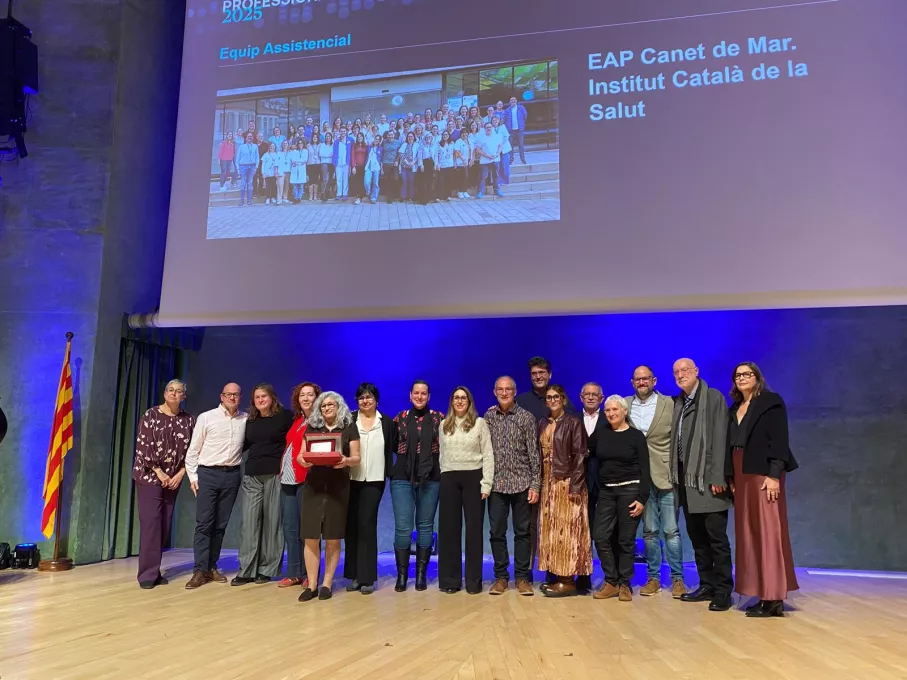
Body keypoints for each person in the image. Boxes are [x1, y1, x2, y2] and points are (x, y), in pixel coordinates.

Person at [728, 362, 799, 617]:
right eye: (738, 375)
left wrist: (773, 475)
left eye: (747, 374)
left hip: (763, 473)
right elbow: (731, 445)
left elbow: (779, 439)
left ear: (757, 377)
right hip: (741, 472)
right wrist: (731, 476)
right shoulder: (735, 408)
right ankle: (759, 591)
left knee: (768, 533)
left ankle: (774, 597)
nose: (742, 378)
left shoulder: (771, 402)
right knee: (748, 534)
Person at [670, 358, 734, 611]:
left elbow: (721, 438)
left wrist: (718, 476)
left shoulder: (713, 398)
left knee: (716, 539)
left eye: (685, 370)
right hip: (687, 481)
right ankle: (706, 584)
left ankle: (723, 591)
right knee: (697, 539)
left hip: (708, 480)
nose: (680, 374)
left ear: (696, 372)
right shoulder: (679, 402)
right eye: (676, 371)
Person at [626, 365, 686, 599]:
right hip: (639, 478)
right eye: (637, 379)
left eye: (646, 378)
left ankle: (678, 579)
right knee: (649, 532)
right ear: (632, 383)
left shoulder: (670, 404)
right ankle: (653, 578)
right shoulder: (625, 404)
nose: (642, 382)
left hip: (666, 475)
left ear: (654, 380)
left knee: (671, 530)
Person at [297, 391, 361, 602]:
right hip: (314, 486)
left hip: (338, 486)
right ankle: (312, 584)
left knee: (333, 536)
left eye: (330, 404)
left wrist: (345, 460)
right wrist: (303, 460)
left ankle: (327, 583)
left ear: (339, 405)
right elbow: (301, 454)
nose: (326, 408)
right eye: (323, 406)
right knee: (311, 536)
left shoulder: (349, 428)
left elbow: (356, 458)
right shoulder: (312, 427)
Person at [132, 379, 195, 589]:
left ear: (183, 396)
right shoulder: (150, 415)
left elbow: (194, 450)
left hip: (173, 479)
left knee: (163, 524)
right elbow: (144, 446)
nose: (173, 394)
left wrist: (181, 473)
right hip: (150, 476)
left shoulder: (188, 420)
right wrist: (159, 472)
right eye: (170, 390)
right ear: (164, 393)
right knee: (151, 523)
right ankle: (147, 575)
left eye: (178, 391)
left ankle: (155, 569)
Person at [184, 383, 247, 589]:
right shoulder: (206, 417)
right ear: (221, 396)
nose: (232, 397)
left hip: (231, 475)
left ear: (240, 397)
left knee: (220, 525)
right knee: (204, 524)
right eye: (228, 394)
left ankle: (212, 566)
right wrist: (193, 477)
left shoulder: (245, 419)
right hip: (207, 474)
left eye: (236, 395)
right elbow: (193, 450)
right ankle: (199, 570)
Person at [484, 376, 541, 596]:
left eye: (508, 389)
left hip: (522, 484)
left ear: (515, 392)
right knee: (497, 532)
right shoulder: (488, 417)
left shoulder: (526, 418)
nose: (504, 392)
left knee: (523, 533)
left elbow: (534, 454)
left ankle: (522, 578)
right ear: (494, 391)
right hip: (497, 485)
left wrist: (535, 484)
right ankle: (500, 577)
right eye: (500, 389)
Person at [233, 384, 293, 586]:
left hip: (275, 474)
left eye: (263, 396)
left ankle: (266, 569)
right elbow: (243, 445)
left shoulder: (285, 416)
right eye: (256, 397)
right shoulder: (250, 420)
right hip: (252, 475)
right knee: (249, 524)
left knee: (272, 523)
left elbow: (294, 441)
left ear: (272, 397)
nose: (260, 400)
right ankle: (246, 569)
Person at [591, 396, 650, 602]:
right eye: (607, 410)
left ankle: (625, 584)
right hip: (607, 492)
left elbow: (645, 469)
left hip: (630, 492)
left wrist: (642, 498)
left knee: (626, 541)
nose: (611, 413)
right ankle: (611, 580)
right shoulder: (601, 434)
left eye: (615, 409)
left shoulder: (636, 436)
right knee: (600, 536)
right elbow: (584, 451)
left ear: (624, 411)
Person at [437, 386, 494, 595]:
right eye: (456, 398)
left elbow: (488, 454)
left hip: (474, 478)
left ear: (469, 402)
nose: (460, 401)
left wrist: (486, 483)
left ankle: (473, 581)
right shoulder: (444, 425)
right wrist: (444, 475)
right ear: (452, 401)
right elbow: (442, 455)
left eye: (463, 398)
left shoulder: (480, 424)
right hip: (450, 478)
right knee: (449, 531)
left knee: (473, 531)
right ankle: (450, 580)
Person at [536, 385, 592, 597]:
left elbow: (580, 455)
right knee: (551, 532)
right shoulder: (543, 422)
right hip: (547, 483)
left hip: (567, 483)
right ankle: (557, 576)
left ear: (564, 399)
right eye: (549, 397)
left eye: (556, 397)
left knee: (567, 533)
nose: (552, 400)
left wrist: (576, 485)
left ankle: (568, 580)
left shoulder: (573, 422)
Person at [391, 381, 443, 592]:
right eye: (416, 393)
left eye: (424, 393)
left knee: (425, 526)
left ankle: (421, 574)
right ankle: (402, 575)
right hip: (402, 476)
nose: (420, 396)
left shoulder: (439, 418)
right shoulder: (400, 418)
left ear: (429, 396)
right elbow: (393, 445)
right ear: (410, 395)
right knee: (403, 527)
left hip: (431, 476)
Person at [344, 383, 396, 595]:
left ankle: (367, 578)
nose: (365, 401)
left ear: (377, 400)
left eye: (369, 397)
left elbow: (393, 448)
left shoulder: (387, 423)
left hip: (374, 480)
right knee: (352, 526)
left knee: (366, 524)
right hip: (350, 479)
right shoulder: (349, 420)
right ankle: (354, 575)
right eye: (361, 398)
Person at [278, 382, 321, 588]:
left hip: (307, 478)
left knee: (308, 529)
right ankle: (294, 572)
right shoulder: (298, 420)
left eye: (310, 395)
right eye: (302, 395)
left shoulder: (319, 421)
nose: (305, 398)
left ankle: (309, 574)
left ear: (317, 397)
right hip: (288, 478)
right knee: (290, 527)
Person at [575, 382, 603, 593]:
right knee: (579, 532)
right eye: (587, 394)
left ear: (601, 398)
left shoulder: (610, 418)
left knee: (602, 533)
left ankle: (614, 578)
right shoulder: (572, 419)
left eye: (595, 395)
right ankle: (582, 577)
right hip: (578, 483)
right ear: (581, 397)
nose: (591, 397)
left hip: (603, 484)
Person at [516, 356, 577, 421]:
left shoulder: (560, 397)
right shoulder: (520, 401)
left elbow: (573, 419)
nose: (538, 377)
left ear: (550, 374)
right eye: (534, 373)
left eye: (541, 372)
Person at [474, 122, 502, 198]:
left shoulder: (497, 136)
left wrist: (497, 154)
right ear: (484, 129)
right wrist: (487, 156)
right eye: (487, 127)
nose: (488, 128)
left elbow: (500, 146)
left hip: (495, 159)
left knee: (495, 175)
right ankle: (480, 192)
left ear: (492, 128)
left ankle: (497, 190)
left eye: (490, 127)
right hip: (484, 160)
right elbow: (477, 150)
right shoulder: (480, 137)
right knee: (482, 176)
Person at [236, 132, 259, 208]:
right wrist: (238, 169)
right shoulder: (241, 147)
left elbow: (257, 157)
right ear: (246, 138)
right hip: (243, 166)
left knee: (250, 183)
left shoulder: (255, 146)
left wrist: (256, 166)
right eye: (248, 136)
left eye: (251, 136)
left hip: (252, 166)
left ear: (252, 138)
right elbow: (237, 159)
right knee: (243, 184)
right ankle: (242, 201)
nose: (249, 137)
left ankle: (249, 201)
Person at [504, 95, 528, 164]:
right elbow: (505, 120)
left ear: (516, 101)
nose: (513, 101)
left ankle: (522, 159)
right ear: (509, 102)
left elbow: (525, 116)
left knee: (521, 145)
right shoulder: (507, 110)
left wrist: (522, 124)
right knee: (510, 146)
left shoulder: (521, 108)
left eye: (514, 100)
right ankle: (511, 159)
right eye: (511, 100)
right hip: (511, 131)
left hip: (519, 130)